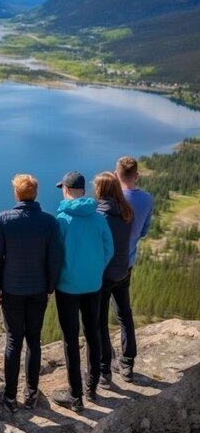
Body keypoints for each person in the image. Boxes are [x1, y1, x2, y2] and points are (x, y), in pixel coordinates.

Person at [0, 174, 61, 412]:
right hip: (39, 290)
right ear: (35, 193)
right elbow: (54, 259)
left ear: (17, 194)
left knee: (13, 341)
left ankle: (10, 396)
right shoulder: (49, 222)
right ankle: (31, 393)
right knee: (34, 340)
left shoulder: (4, 220)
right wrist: (50, 287)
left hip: (12, 290)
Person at [51, 171, 113, 412]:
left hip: (67, 287)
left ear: (66, 191)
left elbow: (55, 256)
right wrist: (96, 270)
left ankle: (75, 396)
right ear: (83, 192)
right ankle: (92, 388)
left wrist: (58, 278)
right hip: (94, 285)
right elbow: (109, 249)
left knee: (70, 339)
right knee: (93, 333)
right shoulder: (98, 218)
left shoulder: (62, 220)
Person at [113, 156, 153, 382]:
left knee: (98, 316)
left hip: (106, 266)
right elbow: (145, 231)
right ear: (136, 175)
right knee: (124, 312)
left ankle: (104, 363)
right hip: (126, 264)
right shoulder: (146, 199)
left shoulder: (112, 200)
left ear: (116, 174)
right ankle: (127, 364)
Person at [93, 171, 134, 388]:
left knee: (100, 323)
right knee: (125, 314)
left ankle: (104, 372)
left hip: (105, 275)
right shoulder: (127, 211)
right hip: (123, 270)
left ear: (100, 190)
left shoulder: (99, 216)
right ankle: (127, 364)